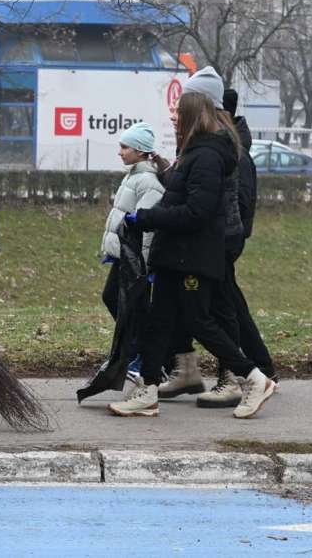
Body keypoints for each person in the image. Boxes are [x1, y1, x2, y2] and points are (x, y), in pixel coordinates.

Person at [108, 89, 276, 419]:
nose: (173, 120)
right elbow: (181, 196)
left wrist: (146, 218)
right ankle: (149, 391)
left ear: (193, 117)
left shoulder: (208, 157)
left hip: (192, 258)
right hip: (175, 255)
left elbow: (196, 212)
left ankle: (254, 377)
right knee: (158, 323)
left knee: (200, 321)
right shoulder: (195, 153)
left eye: (178, 114)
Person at [169, 87, 278, 408]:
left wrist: (227, 241)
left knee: (218, 312)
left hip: (217, 244)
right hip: (216, 243)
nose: (175, 117)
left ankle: (245, 376)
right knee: (222, 308)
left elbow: (224, 203)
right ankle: (249, 371)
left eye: (182, 111)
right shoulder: (214, 145)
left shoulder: (221, 150)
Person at [98, 121, 166, 395]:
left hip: (135, 258)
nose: (120, 152)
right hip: (123, 255)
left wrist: (144, 265)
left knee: (129, 305)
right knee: (118, 301)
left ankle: (142, 354)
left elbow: (146, 230)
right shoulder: (134, 175)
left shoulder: (148, 181)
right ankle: (141, 351)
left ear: (140, 151)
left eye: (124, 147)